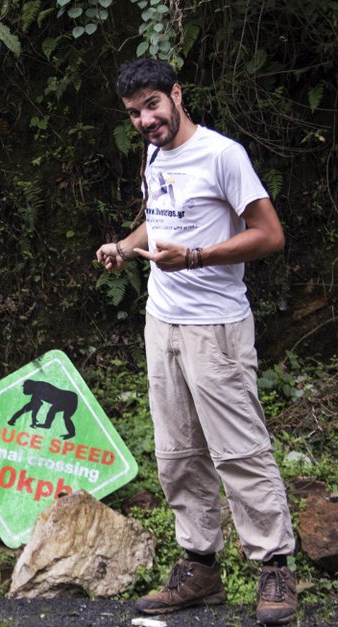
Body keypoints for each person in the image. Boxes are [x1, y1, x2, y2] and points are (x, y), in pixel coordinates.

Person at [96, 58, 298, 625]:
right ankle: (200, 568)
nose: (145, 120)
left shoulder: (222, 155)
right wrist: (125, 245)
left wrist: (196, 257)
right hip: (162, 323)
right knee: (177, 454)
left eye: (152, 105)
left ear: (176, 95)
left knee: (240, 452)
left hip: (216, 327)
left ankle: (274, 567)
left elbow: (270, 235)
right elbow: (162, 220)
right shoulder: (154, 153)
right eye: (134, 113)